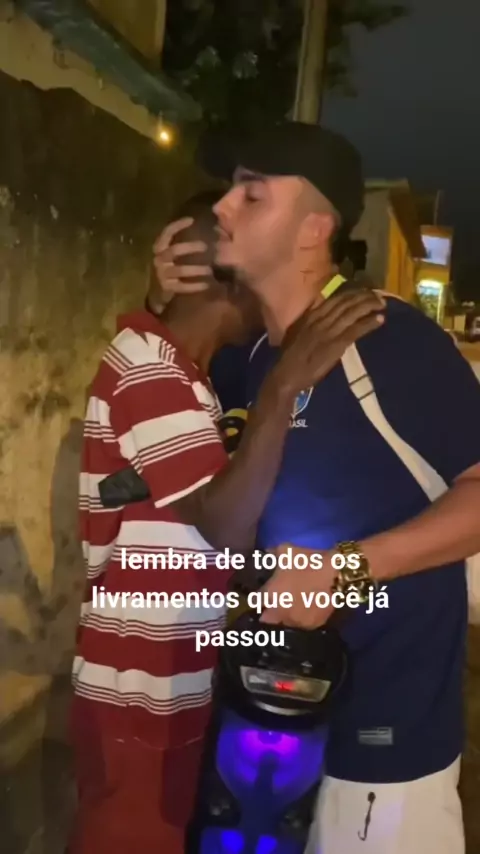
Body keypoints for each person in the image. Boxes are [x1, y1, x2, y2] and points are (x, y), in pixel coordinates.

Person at [152, 122, 480, 854]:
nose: (223, 207)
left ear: (314, 229)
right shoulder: (251, 360)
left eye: (252, 195)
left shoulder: (386, 339)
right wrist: (159, 299)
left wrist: (345, 571)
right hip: (265, 726)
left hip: (381, 750)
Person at [70, 188, 383, 854]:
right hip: (139, 693)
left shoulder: (185, 373)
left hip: (169, 681)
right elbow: (225, 523)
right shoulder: (149, 368)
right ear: (225, 280)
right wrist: (285, 386)